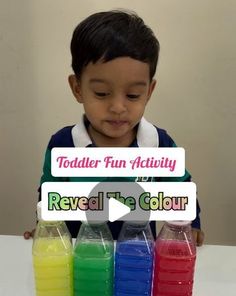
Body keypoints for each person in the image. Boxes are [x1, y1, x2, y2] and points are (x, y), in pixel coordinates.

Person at [24, 9, 204, 245]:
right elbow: (49, 194)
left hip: (138, 260)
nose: (118, 107)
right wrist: (45, 229)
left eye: (132, 95)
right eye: (102, 93)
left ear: (149, 91)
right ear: (77, 88)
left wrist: (192, 224)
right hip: (83, 260)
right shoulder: (63, 144)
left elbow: (181, 189)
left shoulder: (158, 143)